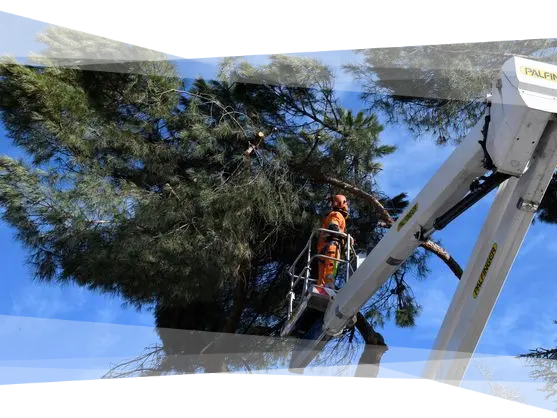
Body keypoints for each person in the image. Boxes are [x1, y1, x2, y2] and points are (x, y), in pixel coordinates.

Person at [315, 194, 352, 291]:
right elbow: (333, 227)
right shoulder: (337, 215)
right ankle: (329, 287)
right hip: (332, 247)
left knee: (322, 275)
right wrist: (346, 237)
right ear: (342, 203)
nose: (347, 206)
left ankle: (320, 288)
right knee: (331, 269)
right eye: (346, 203)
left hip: (323, 248)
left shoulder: (331, 215)